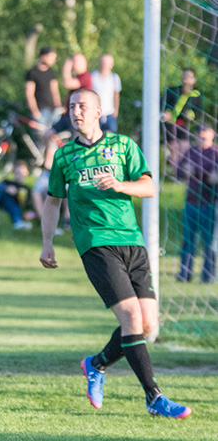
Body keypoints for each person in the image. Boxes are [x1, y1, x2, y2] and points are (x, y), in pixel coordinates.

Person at [40, 88, 191, 419]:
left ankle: (96, 364)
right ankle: (154, 398)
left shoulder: (123, 146)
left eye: (82, 106)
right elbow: (53, 201)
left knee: (147, 324)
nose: (75, 111)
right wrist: (47, 242)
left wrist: (121, 185)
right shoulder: (65, 156)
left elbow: (150, 187)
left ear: (98, 111)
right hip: (95, 244)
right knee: (132, 318)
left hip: (133, 244)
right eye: (71, 106)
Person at [175, 124, 218, 283]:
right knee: (188, 240)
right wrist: (186, 171)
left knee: (209, 242)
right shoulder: (191, 152)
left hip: (209, 204)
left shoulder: (216, 153)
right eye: (199, 134)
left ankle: (208, 275)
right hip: (191, 203)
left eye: (205, 134)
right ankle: (184, 274)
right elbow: (179, 171)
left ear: (212, 134)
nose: (202, 137)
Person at [162, 68, 201, 168]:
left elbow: (198, 111)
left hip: (185, 125)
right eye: (184, 75)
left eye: (189, 76)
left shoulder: (196, 95)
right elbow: (162, 103)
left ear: (194, 80)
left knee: (184, 148)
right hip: (170, 124)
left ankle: (181, 171)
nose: (186, 78)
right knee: (173, 148)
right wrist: (166, 112)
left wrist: (191, 115)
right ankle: (175, 172)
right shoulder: (172, 90)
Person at [0, 160, 34, 230]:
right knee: (0, 186)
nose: (18, 175)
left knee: (15, 207)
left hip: (14, 206)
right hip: (2, 201)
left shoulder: (26, 188)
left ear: (26, 173)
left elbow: (26, 203)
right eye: (16, 173)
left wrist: (16, 193)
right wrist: (7, 189)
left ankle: (18, 222)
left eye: (20, 173)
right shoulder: (8, 182)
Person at [53, 53, 92, 134]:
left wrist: (66, 68)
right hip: (68, 115)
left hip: (78, 116)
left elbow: (68, 84)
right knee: (50, 133)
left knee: (74, 141)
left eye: (75, 63)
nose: (73, 65)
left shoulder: (85, 76)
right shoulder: (77, 76)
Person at [25, 46, 61, 132]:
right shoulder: (32, 73)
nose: (53, 60)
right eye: (51, 57)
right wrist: (35, 111)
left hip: (52, 110)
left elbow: (55, 91)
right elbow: (29, 94)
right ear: (43, 56)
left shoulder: (51, 72)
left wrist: (58, 106)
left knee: (52, 136)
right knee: (40, 137)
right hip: (40, 110)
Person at [90, 54, 121, 133]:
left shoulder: (114, 77)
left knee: (111, 139)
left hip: (109, 113)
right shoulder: (93, 76)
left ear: (111, 64)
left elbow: (116, 95)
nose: (104, 64)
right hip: (95, 113)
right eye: (103, 62)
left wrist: (116, 111)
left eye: (107, 63)